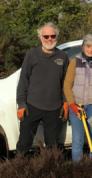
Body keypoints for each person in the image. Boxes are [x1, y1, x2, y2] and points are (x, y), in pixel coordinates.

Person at [16, 22, 69, 155]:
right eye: (46, 36)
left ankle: (49, 171)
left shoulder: (63, 57)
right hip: (32, 106)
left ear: (57, 36)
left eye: (53, 36)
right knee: (24, 143)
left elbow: (66, 83)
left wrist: (65, 102)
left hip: (55, 108)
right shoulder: (31, 55)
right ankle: (19, 170)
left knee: (53, 146)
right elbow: (23, 80)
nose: (50, 39)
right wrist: (21, 104)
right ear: (40, 37)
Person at [63, 34, 92, 162]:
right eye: (88, 46)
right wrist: (73, 105)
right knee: (77, 140)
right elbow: (67, 86)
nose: (91, 49)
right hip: (78, 108)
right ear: (83, 47)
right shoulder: (74, 62)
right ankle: (78, 171)